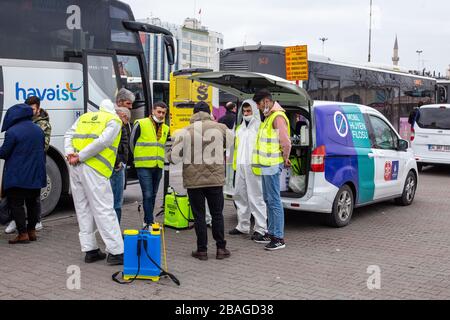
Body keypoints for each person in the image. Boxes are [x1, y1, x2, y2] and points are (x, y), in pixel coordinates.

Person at [168, 101, 231, 261]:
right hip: (215, 179)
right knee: (217, 214)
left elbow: (174, 158)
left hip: (193, 181)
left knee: (199, 215)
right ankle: (221, 248)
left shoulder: (185, 131)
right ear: (209, 112)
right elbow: (231, 143)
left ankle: (202, 250)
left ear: (194, 113)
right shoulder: (220, 128)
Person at [64, 99, 124, 265]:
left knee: (83, 209)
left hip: (75, 168)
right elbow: (104, 141)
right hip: (94, 168)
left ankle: (90, 251)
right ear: (113, 110)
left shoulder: (85, 117)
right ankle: (116, 252)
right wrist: (81, 156)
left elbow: (68, 134)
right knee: (104, 209)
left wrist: (70, 153)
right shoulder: (113, 120)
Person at [4, 96, 51, 234]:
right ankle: (30, 231)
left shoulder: (13, 131)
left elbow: (4, 152)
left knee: (20, 202)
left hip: (22, 171)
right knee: (29, 201)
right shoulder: (36, 129)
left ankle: (25, 232)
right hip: (33, 170)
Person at [252, 89, 291, 251]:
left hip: (273, 165)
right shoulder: (269, 117)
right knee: (268, 199)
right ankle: (271, 232)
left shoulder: (277, 117)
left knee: (274, 200)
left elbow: (286, 142)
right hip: (267, 165)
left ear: (267, 101)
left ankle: (278, 237)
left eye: (260, 105)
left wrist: (285, 157)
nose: (260, 108)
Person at [229, 100, 269, 243]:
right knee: (240, 196)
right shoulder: (240, 128)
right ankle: (243, 226)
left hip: (254, 168)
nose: (246, 114)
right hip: (240, 166)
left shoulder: (260, 128)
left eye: (249, 111)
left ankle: (261, 229)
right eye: (244, 112)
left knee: (256, 198)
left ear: (254, 111)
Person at [130, 101, 169, 229]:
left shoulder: (165, 128)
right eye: (159, 111)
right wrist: (136, 158)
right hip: (143, 165)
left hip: (157, 165)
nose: (161, 114)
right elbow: (132, 142)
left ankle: (149, 220)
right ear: (153, 111)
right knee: (147, 194)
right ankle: (148, 222)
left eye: (164, 112)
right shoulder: (141, 123)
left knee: (153, 194)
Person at [110, 107, 130, 224]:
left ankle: (110, 231)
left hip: (109, 166)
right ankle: (115, 231)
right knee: (116, 202)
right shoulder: (117, 126)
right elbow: (118, 147)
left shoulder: (110, 125)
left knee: (110, 201)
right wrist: (119, 162)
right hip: (116, 167)